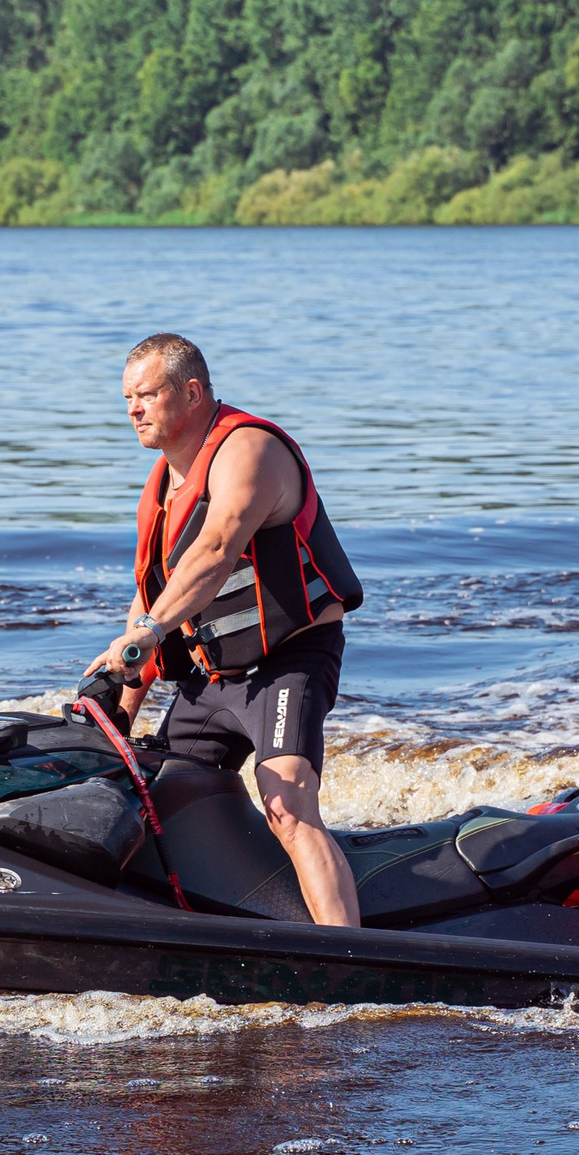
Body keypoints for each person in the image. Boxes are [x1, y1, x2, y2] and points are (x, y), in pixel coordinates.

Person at [87, 334, 365, 926]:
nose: (133, 409)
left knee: (286, 803)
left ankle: (349, 956)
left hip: (289, 659)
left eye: (147, 395)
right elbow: (151, 602)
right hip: (212, 677)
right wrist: (117, 715)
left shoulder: (250, 451)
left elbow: (215, 549)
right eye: (126, 398)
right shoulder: (163, 485)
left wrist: (147, 632)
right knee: (155, 795)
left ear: (190, 392)